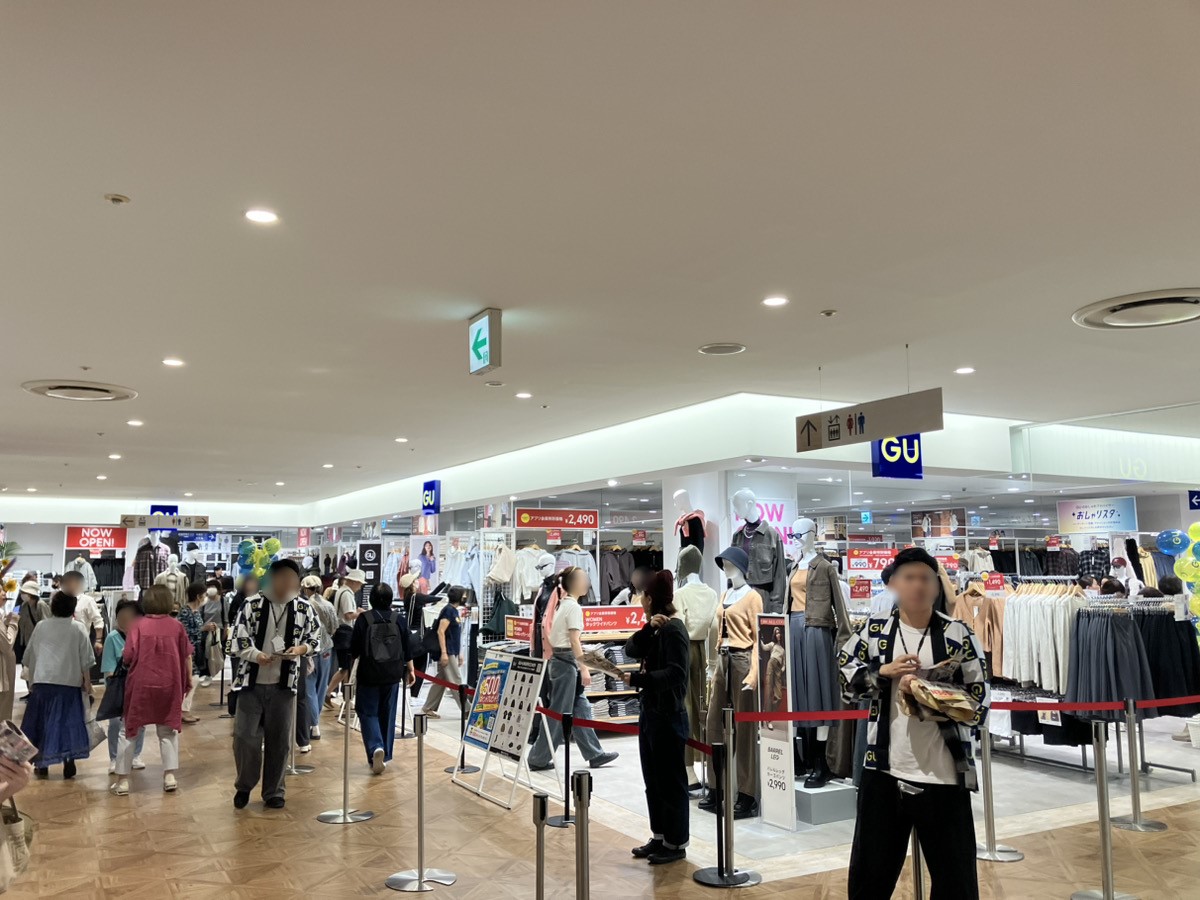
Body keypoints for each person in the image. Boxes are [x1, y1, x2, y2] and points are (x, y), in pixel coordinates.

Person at [839, 547, 990, 900]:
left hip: (945, 774)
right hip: (884, 772)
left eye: (926, 578)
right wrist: (883, 672)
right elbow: (846, 680)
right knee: (869, 879)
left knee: (956, 883)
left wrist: (930, 694)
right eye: (909, 577)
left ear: (937, 586)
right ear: (894, 583)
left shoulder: (958, 634)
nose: (918, 585)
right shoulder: (874, 630)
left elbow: (980, 701)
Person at [229, 558, 320, 810]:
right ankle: (244, 785)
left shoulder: (303, 607)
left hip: (285, 684)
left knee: (280, 741)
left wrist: (300, 649)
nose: (290, 584)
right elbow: (238, 639)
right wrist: (256, 655)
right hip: (251, 683)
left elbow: (316, 638)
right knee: (245, 738)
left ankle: (274, 791)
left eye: (294, 579)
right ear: (273, 578)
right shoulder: (252, 604)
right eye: (285, 578)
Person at [625, 571, 690, 865]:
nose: (640, 600)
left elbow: (677, 674)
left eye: (643, 596)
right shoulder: (656, 628)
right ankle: (660, 836)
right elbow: (630, 649)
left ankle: (676, 843)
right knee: (653, 780)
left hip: (668, 715)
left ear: (649, 599)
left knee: (670, 782)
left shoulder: (674, 630)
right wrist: (647, 629)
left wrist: (641, 680)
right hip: (651, 712)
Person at [527, 566, 619, 771]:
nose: (587, 582)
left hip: (561, 660)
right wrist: (584, 668)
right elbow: (574, 641)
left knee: (581, 706)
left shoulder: (564, 604)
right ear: (573, 584)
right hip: (566, 662)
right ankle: (537, 758)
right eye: (583, 579)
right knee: (558, 713)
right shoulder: (573, 607)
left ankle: (594, 753)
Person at [115, 585, 193, 795]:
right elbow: (187, 654)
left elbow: (128, 656)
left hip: (141, 684)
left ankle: (123, 781)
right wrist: (188, 681)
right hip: (170, 684)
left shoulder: (138, 625)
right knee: (167, 730)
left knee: (129, 730)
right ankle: (169, 776)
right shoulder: (177, 626)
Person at [21, 592, 94, 779]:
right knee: (68, 724)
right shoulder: (78, 628)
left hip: (43, 682)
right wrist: (87, 682)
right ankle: (69, 759)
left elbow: (30, 655)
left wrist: (31, 681)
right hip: (68, 684)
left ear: (53, 606)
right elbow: (86, 659)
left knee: (42, 723)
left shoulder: (41, 626)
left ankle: (42, 762)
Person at [350, 583, 415, 774]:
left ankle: (375, 747)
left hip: (368, 673)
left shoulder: (364, 619)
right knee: (388, 713)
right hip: (393, 674)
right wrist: (411, 670)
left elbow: (354, 649)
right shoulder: (399, 619)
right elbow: (407, 647)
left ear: (371, 599)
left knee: (367, 712)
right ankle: (385, 754)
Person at [101, 598, 145, 776]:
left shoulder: (143, 636)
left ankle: (135, 755)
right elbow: (108, 668)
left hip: (139, 687)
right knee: (115, 724)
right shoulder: (112, 637)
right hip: (119, 688)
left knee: (139, 722)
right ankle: (114, 758)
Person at [417, 587, 468, 719]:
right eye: (464, 595)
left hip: (452, 651)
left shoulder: (453, 611)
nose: (465, 597)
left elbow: (455, 634)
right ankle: (467, 709)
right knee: (455, 680)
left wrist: (459, 653)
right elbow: (441, 631)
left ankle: (428, 707)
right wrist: (444, 653)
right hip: (447, 651)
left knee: (441, 680)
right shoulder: (448, 611)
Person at [302, 575, 338, 741]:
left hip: (309, 649)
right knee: (322, 685)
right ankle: (315, 721)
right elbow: (334, 627)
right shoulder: (328, 604)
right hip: (326, 647)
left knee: (309, 685)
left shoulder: (304, 606)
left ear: (305, 588)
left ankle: (314, 723)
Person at [326, 571, 364, 708]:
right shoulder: (347, 594)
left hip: (341, 632)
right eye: (359, 584)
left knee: (346, 667)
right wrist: (360, 613)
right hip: (345, 633)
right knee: (346, 667)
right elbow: (348, 615)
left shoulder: (341, 591)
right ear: (353, 582)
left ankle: (341, 697)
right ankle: (331, 693)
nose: (360, 587)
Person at [177, 583, 206, 724]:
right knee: (192, 678)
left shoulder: (197, 611)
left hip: (195, 650)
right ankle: (183, 710)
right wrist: (202, 629)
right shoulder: (185, 611)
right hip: (186, 651)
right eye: (204, 595)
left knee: (194, 678)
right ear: (198, 596)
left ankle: (184, 709)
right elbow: (183, 632)